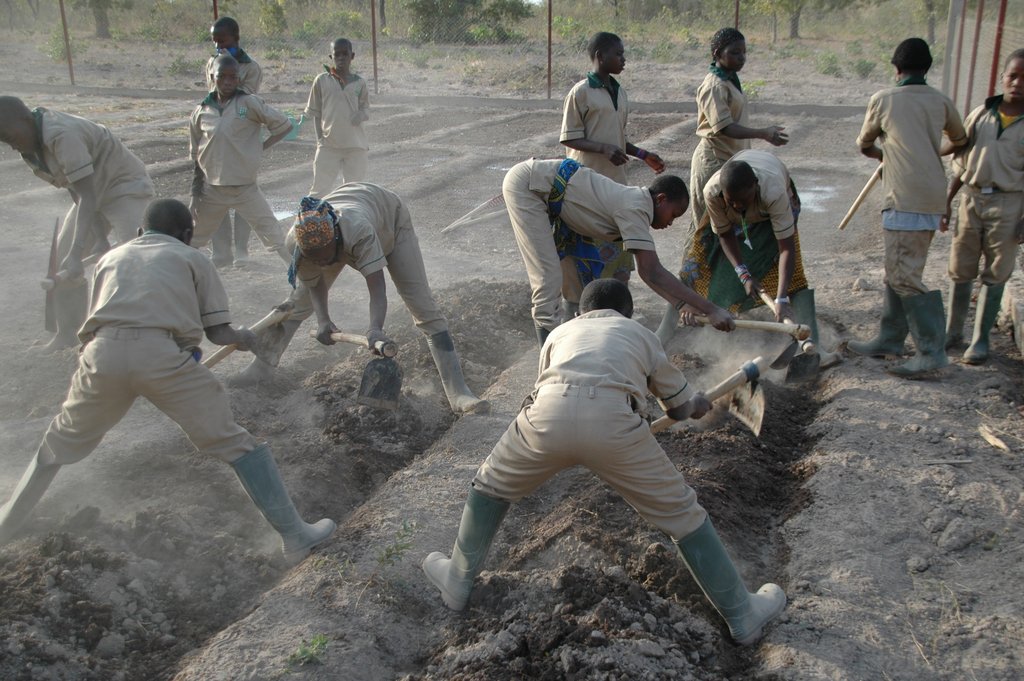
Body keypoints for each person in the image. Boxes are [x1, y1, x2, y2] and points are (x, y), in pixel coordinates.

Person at [422, 278, 786, 646]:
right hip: (614, 420)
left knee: (489, 486)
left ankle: (458, 580)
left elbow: (544, 387)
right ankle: (742, 615)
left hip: (547, 413)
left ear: (581, 312)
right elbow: (678, 408)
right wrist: (696, 404)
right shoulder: (640, 334)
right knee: (684, 516)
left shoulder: (559, 333)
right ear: (626, 313)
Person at [0, 199, 335, 560]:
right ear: (187, 235)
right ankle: (296, 536)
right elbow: (219, 332)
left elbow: (100, 323)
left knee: (57, 443)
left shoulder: (111, 258)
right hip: (161, 359)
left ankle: (6, 524)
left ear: (142, 232)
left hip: (102, 355)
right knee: (237, 445)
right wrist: (246, 338)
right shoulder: (193, 259)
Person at [236, 184, 488, 415]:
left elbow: (377, 286)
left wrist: (375, 329)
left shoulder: (358, 232)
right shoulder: (299, 243)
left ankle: (458, 392)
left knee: (421, 304)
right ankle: (262, 368)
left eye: (326, 257)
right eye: (317, 260)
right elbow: (314, 284)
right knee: (298, 302)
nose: (323, 264)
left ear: (335, 240)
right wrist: (324, 321)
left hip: (389, 221)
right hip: (345, 223)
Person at [501, 157, 734, 346]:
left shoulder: (637, 206)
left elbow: (646, 272)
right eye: (673, 214)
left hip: (551, 190)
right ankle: (548, 371)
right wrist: (711, 309)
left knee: (577, 282)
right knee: (547, 280)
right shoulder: (636, 208)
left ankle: (573, 348)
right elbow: (652, 271)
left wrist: (682, 305)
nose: (671, 223)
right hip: (530, 186)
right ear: (661, 199)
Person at [656, 27, 788, 342]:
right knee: (704, 237)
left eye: (743, 53)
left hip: (731, 165)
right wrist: (763, 132)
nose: (740, 58)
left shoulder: (729, 81)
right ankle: (678, 310)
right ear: (717, 55)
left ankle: (717, 300)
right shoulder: (714, 85)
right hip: (714, 165)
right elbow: (724, 127)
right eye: (734, 53)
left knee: (727, 235)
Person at [656, 150, 840, 372]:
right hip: (728, 215)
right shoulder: (713, 194)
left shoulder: (774, 193)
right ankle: (661, 335)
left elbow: (786, 249)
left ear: (755, 186)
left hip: (769, 212)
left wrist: (781, 299)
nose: (738, 207)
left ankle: (816, 347)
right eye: (732, 202)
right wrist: (744, 274)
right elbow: (724, 235)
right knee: (694, 267)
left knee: (795, 278)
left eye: (743, 201)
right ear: (724, 195)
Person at [848, 38, 968, 377]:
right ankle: (890, 338)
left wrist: (889, 154)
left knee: (904, 275)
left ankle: (931, 352)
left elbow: (865, 143)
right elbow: (960, 141)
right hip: (932, 195)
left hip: (905, 197)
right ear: (927, 69)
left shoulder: (884, 99)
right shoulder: (941, 101)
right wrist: (929, 151)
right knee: (899, 270)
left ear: (896, 68)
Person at [0, 96, 155, 350]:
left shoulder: (61, 135)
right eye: (5, 142)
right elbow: (76, 188)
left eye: (10, 137)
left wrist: (77, 253)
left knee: (134, 261)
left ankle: (143, 338)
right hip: (91, 195)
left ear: (24, 120)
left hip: (124, 187)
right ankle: (68, 333)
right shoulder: (32, 149)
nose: (12, 146)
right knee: (61, 258)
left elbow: (87, 194)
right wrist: (97, 239)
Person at [558, 31, 665, 320]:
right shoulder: (581, 92)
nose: (624, 59)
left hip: (615, 187)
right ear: (600, 56)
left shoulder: (620, 92)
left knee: (620, 267)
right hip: (585, 189)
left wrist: (642, 154)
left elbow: (617, 138)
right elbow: (569, 138)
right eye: (618, 54)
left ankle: (615, 320)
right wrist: (604, 149)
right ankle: (577, 320)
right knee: (583, 265)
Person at [942, 49, 1024, 365]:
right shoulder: (981, 115)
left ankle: (980, 340)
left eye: (1023, 78)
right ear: (1003, 77)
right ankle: (953, 333)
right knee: (960, 266)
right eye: (1012, 75)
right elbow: (961, 162)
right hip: (972, 198)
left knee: (997, 270)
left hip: (1009, 203)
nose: (1017, 83)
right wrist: (947, 203)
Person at [189, 54, 293, 266]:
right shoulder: (201, 111)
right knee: (190, 240)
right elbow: (197, 157)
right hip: (212, 191)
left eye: (232, 77)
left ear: (238, 79)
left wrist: (260, 147)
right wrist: (195, 195)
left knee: (275, 236)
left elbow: (283, 125)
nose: (227, 82)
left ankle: (301, 279)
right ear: (212, 77)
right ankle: (178, 279)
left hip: (245, 189)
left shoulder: (248, 103)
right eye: (222, 77)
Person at [205, 16, 263, 268]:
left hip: (242, 138)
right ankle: (220, 251)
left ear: (236, 39)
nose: (219, 46)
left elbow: (245, 101)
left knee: (242, 194)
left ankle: (242, 250)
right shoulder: (211, 63)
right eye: (215, 41)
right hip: (217, 138)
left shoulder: (250, 68)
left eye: (223, 40)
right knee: (215, 193)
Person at [306, 38, 370, 198]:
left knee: (353, 192)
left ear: (352, 56)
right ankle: (310, 222)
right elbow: (316, 112)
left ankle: (347, 222)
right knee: (319, 191)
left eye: (345, 54)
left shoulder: (359, 83)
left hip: (355, 146)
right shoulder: (321, 80)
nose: (341, 58)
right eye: (337, 54)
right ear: (331, 57)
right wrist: (320, 139)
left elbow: (365, 109)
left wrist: (360, 115)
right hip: (329, 145)